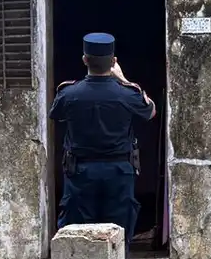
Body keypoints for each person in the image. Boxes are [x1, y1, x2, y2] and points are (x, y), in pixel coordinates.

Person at [49, 32, 156, 244]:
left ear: (84, 59)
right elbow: (150, 111)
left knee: (77, 234)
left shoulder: (68, 93)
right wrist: (124, 80)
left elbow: (56, 114)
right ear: (114, 61)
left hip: (79, 173)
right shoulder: (127, 94)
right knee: (118, 234)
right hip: (118, 173)